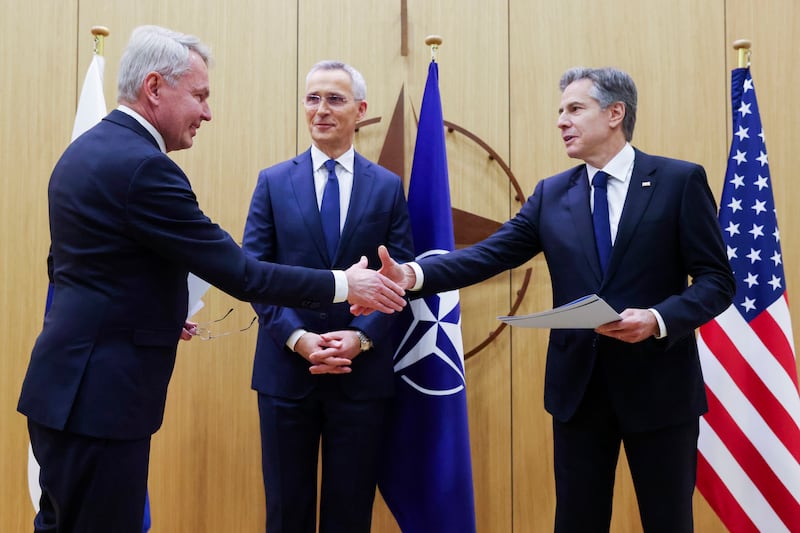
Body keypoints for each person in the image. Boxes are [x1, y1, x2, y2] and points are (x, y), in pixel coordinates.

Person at [17, 27, 405, 533]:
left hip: (67, 389)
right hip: (99, 400)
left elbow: (74, 269)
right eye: (199, 96)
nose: (207, 112)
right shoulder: (145, 168)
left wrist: (152, 310)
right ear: (155, 88)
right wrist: (343, 286)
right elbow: (239, 270)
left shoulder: (86, 150)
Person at [351, 67, 736, 532]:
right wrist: (411, 274)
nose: (561, 121)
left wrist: (657, 318)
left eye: (575, 109)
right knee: (576, 520)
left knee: (668, 520)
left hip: (660, 389)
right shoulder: (553, 194)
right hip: (579, 391)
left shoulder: (678, 182)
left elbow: (717, 280)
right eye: (560, 111)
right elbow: (488, 256)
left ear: (616, 113)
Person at [242, 60, 414, 533]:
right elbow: (253, 275)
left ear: (360, 110)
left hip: (360, 376)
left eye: (334, 99)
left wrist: (362, 338)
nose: (320, 110)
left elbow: (398, 279)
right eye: (312, 98)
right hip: (285, 371)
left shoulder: (386, 187)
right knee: (285, 511)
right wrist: (297, 337)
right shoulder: (273, 182)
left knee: (350, 513)